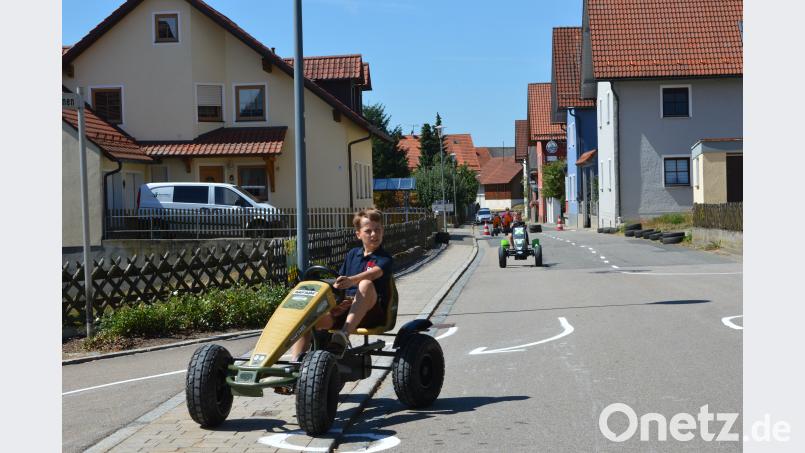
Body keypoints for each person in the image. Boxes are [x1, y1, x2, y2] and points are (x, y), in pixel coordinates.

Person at [288, 209, 394, 361]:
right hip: (344, 308)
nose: (374, 234)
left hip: (372, 312)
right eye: (368, 231)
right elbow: (339, 281)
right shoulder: (353, 254)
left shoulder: (384, 258)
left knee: (365, 284)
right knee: (306, 321)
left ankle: (343, 337)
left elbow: (373, 274)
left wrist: (352, 280)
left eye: (377, 230)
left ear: (382, 231)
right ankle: (295, 367)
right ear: (358, 234)